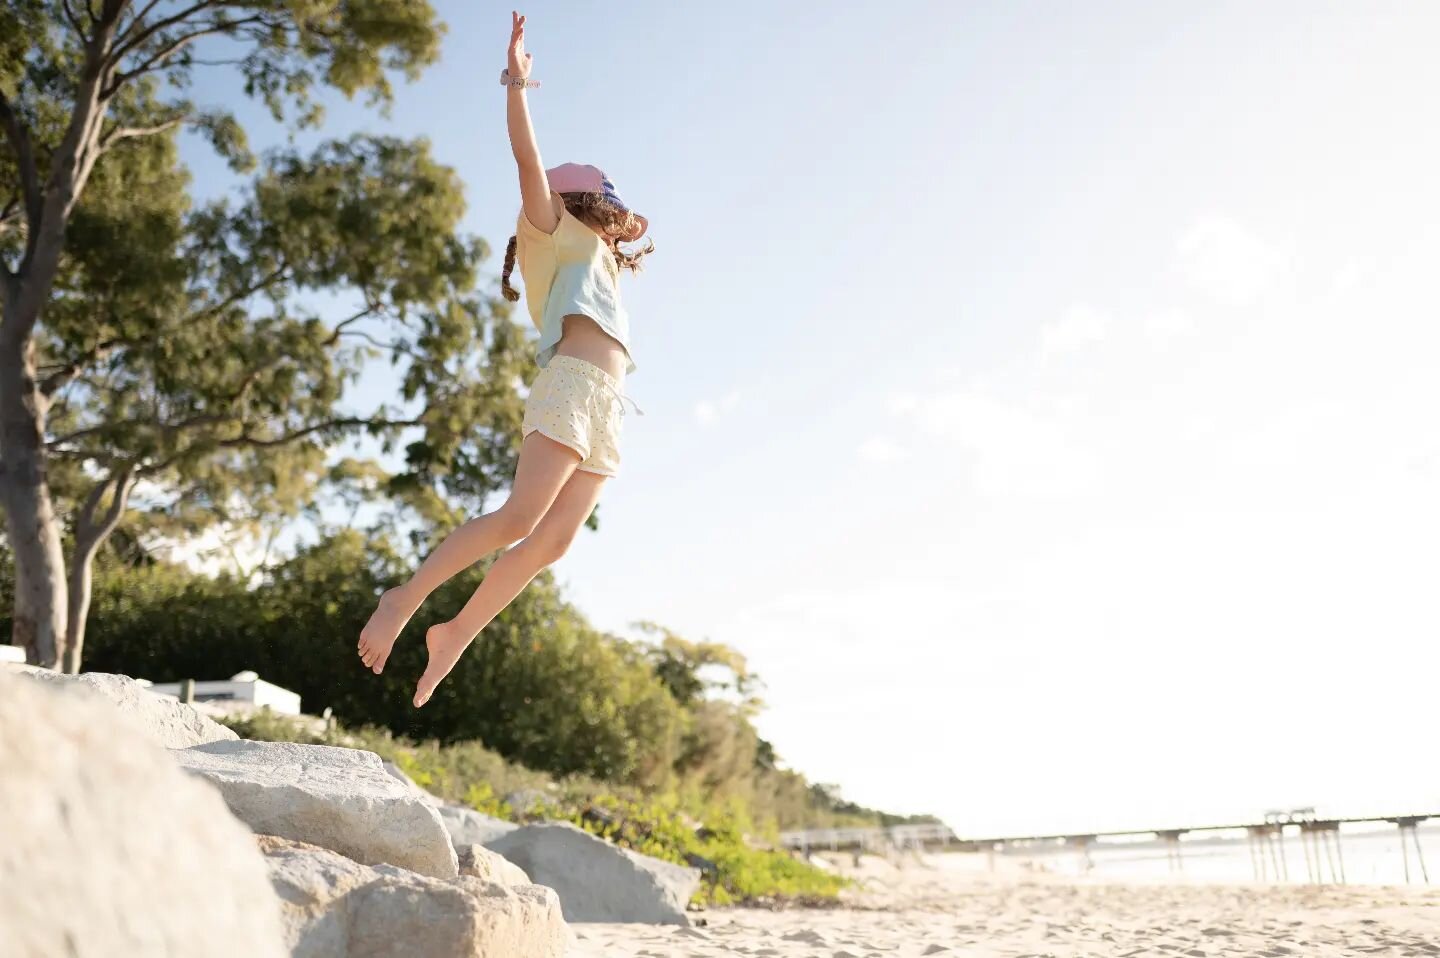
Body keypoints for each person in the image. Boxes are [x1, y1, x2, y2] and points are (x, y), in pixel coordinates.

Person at [356, 10, 653, 708]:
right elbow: (527, 160)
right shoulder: (552, 226)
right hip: (572, 385)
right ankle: (405, 597)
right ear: (584, 203)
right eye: (605, 209)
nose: (615, 223)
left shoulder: (601, 257)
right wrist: (516, 85)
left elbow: (622, 243)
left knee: (552, 544)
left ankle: (454, 632)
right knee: (520, 518)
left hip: (608, 408)